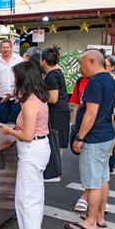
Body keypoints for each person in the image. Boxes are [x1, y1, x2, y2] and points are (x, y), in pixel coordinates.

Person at [0, 61, 50, 229]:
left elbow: (27, 135)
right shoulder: (38, 97)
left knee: (27, 196)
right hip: (38, 147)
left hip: (32, 149)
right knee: (30, 194)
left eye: (16, 76)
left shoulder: (30, 102)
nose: (14, 79)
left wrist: (8, 130)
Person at [65, 49, 115, 229]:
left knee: (93, 182)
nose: (80, 68)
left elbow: (91, 112)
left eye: (81, 64)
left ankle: (90, 221)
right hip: (107, 135)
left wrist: (80, 137)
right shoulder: (111, 80)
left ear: (91, 61)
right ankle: (100, 216)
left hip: (95, 138)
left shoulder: (95, 83)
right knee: (103, 178)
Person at [40, 46, 70, 182]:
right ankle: (56, 171)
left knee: (55, 140)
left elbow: (53, 98)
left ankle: (55, 172)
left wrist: (39, 96)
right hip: (62, 110)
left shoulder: (52, 75)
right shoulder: (58, 72)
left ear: (44, 61)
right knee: (58, 141)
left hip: (56, 111)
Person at [0, 39, 24, 124]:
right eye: (3, 47)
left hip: (16, 96)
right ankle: (4, 138)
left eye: (7, 47)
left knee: (16, 122)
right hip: (1, 97)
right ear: (0, 49)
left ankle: (15, 137)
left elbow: (23, 77)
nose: (5, 49)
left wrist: (21, 92)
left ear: (11, 48)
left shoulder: (19, 59)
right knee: (2, 122)